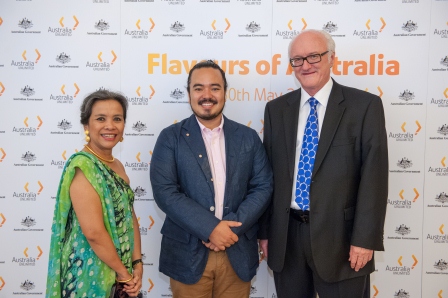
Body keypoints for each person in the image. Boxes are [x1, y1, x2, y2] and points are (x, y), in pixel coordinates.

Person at [258, 29, 388, 298]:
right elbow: (268, 178)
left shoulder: (364, 106)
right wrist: (266, 233)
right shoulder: (276, 110)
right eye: (297, 60)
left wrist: (364, 239)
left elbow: (374, 178)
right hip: (287, 240)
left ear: (332, 58)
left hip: (342, 242)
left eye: (314, 56)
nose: (305, 65)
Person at [150, 60, 273, 298]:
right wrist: (211, 229)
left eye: (215, 88)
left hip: (236, 252)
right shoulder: (170, 138)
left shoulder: (248, 137)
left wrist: (230, 230)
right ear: (189, 94)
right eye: (199, 88)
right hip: (188, 255)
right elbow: (165, 192)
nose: (207, 95)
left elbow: (263, 186)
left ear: (225, 93)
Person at [46, 90, 143, 298]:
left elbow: (129, 216)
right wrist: (124, 274)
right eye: (101, 119)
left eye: (117, 119)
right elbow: (94, 233)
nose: (110, 126)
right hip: (87, 274)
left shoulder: (117, 166)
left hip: (121, 268)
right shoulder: (83, 167)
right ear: (86, 126)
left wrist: (137, 263)